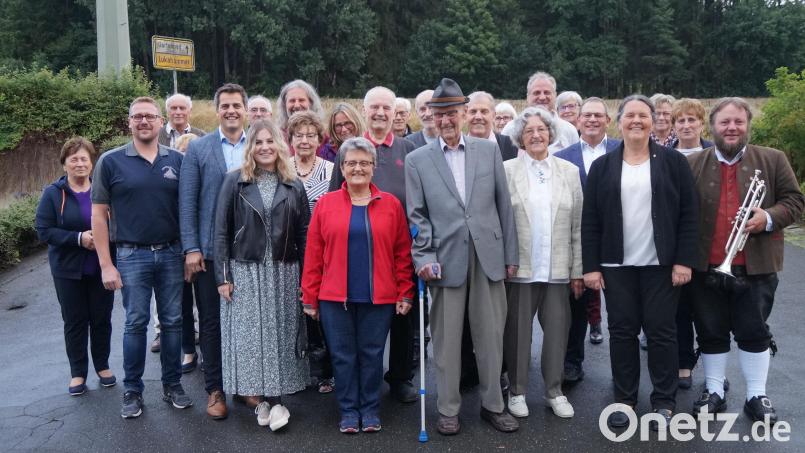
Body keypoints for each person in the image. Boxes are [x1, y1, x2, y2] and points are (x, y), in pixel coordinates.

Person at [406, 78, 519, 435]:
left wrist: (510, 255)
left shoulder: (488, 150)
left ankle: (493, 405)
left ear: (464, 114)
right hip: (443, 260)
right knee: (446, 340)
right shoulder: (417, 160)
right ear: (431, 117)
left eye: (453, 113)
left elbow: (504, 205)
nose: (446, 120)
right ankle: (448, 408)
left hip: (489, 256)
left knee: (490, 338)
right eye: (440, 114)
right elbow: (417, 215)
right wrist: (423, 256)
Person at [581, 94, 698, 430]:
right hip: (617, 266)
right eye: (629, 115)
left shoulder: (673, 162)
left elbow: (689, 215)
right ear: (619, 122)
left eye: (643, 115)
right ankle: (624, 399)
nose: (636, 121)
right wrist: (591, 266)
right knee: (621, 332)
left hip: (660, 265)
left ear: (654, 121)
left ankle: (664, 401)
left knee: (662, 332)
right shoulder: (603, 166)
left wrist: (683, 261)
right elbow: (591, 221)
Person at [687, 97, 804, 424]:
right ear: (713, 126)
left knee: (754, 330)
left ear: (748, 125)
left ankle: (756, 393)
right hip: (706, 265)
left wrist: (768, 215)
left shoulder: (773, 159)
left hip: (756, 265)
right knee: (710, 330)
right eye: (725, 122)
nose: (732, 128)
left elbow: (795, 201)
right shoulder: (693, 163)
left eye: (738, 122)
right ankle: (715, 391)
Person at [302, 137, 414, 433]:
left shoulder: (390, 205)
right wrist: (309, 297)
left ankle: (371, 409)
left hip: (379, 297)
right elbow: (313, 255)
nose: (358, 168)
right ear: (342, 167)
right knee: (342, 356)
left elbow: (402, 253)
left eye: (364, 163)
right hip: (333, 298)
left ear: (374, 168)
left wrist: (405, 291)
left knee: (372, 354)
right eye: (351, 163)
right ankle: (349, 411)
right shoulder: (326, 205)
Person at [92, 96, 192, 418]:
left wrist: (190, 251)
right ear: (129, 122)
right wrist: (106, 264)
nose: (144, 121)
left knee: (174, 323)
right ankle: (133, 391)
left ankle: (173, 385)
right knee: (136, 323)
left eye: (150, 116)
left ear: (161, 122)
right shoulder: (110, 162)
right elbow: (99, 216)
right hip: (131, 255)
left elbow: (188, 210)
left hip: (172, 252)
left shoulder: (176, 161)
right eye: (138, 116)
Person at [213, 119, 310, 430]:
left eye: (270, 141)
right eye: (258, 142)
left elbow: (305, 234)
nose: (265, 147)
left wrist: (307, 279)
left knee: (281, 335)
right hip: (245, 270)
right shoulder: (234, 181)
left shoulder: (293, 183)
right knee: (252, 337)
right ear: (250, 148)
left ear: (279, 145)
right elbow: (221, 233)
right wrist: (223, 276)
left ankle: (278, 400)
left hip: (284, 271)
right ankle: (262, 400)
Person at [329, 86, 419, 403]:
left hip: (399, 247)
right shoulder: (351, 149)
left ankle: (400, 377)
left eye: (387, 107)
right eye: (374, 107)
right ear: (364, 111)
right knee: (361, 323)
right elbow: (333, 199)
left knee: (404, 317)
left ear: (395, 113)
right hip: (357, 251)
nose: (381, 113)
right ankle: (358, 381)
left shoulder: (409, 150)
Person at [502, 107, 583, 419]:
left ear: (551, 133)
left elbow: (577, 224)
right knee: (518, 332)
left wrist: (577, 270)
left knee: (558, 331)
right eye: (528, 131)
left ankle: (554, 391)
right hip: (520, 268)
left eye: (541, 129)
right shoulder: (507, 170)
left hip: (557, 269)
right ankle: (518, 391)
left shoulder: (569, 171)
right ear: (520, 139)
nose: (536, 135)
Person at [179, 82, 249, 419]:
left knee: (248, 321)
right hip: (209, 253)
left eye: (237, 105)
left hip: (250, 252)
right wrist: (191, 248)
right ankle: (215, 389)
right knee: (210, 323)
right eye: (226, 106)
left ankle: (248, 385)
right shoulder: (199, 149)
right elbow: (187, 201)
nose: (232, 111)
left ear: (245, 109)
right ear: (217, 110)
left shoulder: (259, 145)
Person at [35, 137, 116, 396]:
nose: (79, 163)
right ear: (64, 164)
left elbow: (116, 221)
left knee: (101, 319)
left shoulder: (102, 190)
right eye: (74, 159)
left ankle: (102, 367)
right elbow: (44, 230)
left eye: (84, 158)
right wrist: (79, 239)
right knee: (75, 321)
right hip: (68, 270)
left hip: (101, 266)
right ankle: (78, 373)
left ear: (92, 163)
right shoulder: (53, 194)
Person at [554, 97, 620, 383]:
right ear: (578, 121)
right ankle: (572, 362)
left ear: (608, 120)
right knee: (577, 305)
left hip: (620, 241)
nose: (592, 120)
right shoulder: (562, 157)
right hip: (579, 240)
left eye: (598, 115)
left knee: (621, 309)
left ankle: (623, 372)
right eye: (587, 115)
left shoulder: (624, 150)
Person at [287, 110, 335, 393]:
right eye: (298, 135)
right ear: (290, 139)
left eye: (310, 135)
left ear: (319, 139)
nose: (304, 140)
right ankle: (295, 369)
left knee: (316, 313)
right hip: (287, 252)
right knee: (290, 312)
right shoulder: (282, 169)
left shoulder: (330, 170)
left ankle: (323, 372)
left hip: (323, 254)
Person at [667, 98, 712, 389]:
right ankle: (684, 364)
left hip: (708, 244)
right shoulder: (662, 155)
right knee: (679, 310)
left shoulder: (716, 154)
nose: (686, 125)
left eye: (691, 120)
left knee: (709, 313)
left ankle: (714, 373)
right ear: (674, 125)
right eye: (680, 121)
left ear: (701, 124)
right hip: (673, 245)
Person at [502, 71, 579, 152]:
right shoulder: (510, 129)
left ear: (555, 96)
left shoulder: (569, 130)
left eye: (547, 92)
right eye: (536, 93)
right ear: (528, 97)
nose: (542, 97)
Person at [276, 79, 335, 161]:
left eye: (301, 100)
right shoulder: (277, 136)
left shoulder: (324, 136)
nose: (296, 105)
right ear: (284, 105)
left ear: (311, 103)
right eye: (292, 101)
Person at [467, 91, 519, 161]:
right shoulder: (457, 148)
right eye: (473, 111)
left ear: (493, 115)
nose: (478, 117)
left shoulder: (512, 145)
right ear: (465, 115)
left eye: (484, 111)